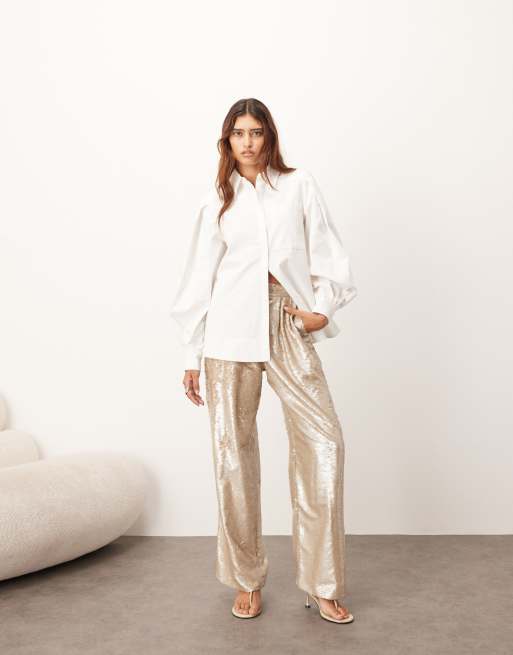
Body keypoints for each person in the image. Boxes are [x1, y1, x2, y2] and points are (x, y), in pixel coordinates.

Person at [169, 98, 357, 624]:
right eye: (238, 133)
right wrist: (191, 354)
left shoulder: (298, 186)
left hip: (285, 319)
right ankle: (246, 579)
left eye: (256, 132)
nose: (247, 142)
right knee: (233, 456)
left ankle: (323, 583)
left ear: (269, 136)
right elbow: (198, 278)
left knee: (324, 443)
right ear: (227, 141)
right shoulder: (217, 199)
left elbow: (329, 253)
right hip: (228, 331)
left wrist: (322, 309)